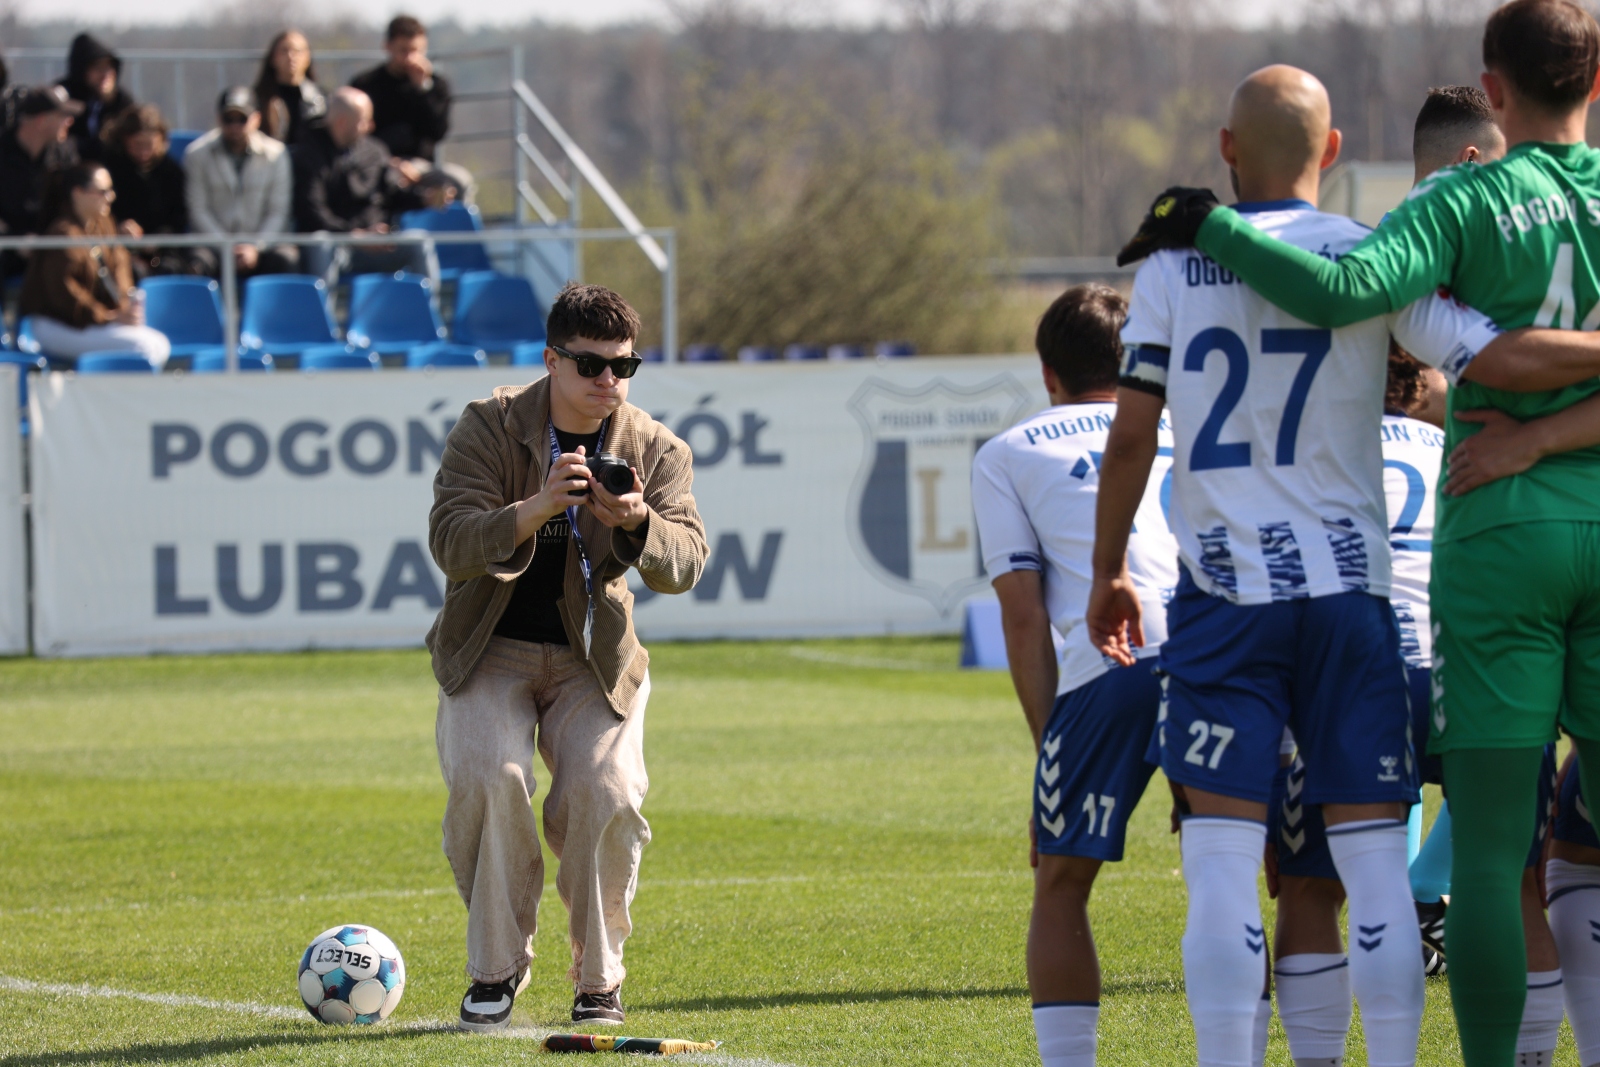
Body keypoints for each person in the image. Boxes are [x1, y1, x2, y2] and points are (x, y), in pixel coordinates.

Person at [1112, 3, 1600, 1061]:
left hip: (1255, 588)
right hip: (1355, 593)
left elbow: (1145, 427)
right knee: (1397, 860)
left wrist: (1109, 569)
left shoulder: (1174, 270)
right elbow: (1491, 355)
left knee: (1249, 858)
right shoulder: (1408, 239)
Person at [427, 283, 707, 1032]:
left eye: (623, 366)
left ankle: (597, 978)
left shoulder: (654, 445)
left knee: (607, 789)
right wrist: (538, 507)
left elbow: (685, 563)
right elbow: (449, 540)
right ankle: (496, 967)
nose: (607, 383)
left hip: (595, 658)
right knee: (493, 773)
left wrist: (639, 520)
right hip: (490, 646)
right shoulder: (489, 425)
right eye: (588, 365)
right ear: (550, 360)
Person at [970, 285, 1185, 1067]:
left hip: (1115, 659)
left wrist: (1049, 757)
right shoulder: (1190, 424)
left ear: (1045, 366)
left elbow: (1024, 618)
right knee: (1226, 864)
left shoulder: (1008, 452)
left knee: (1061, 881)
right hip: (1223, 654)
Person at [19, 161, 170, 367]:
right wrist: (108, 317)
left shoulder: (104, 224)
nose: (111, 197)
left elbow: (120, 268)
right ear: (78, 193)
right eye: (102, 191)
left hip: (94, 321)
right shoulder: (62, 234)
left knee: (160, 344)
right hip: (55, 325)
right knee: (143, 347)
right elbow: (64, 294)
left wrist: (124, 308)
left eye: (111, 190)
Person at [291, 86, 426, 280]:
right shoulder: (309, 155)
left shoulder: (375, 151)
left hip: (377, 245)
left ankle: (430, 305)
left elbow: (393, 194)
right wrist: (352, 235)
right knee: (320, 243)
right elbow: (311, 211)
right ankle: (322, 307)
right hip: (337, 244)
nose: (370, 127)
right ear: (342, 122)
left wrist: (424, 198)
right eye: (364, 121)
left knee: (418, 241)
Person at [350, 16, 469, 203]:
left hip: (423, 166)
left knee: (459, 181)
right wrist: (391, 162)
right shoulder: (366, 85)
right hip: (379, 164)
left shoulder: (436, 86)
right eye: (403, 51)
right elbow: (357, 136)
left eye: (416, 51)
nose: (410, 59)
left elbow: (438, 131)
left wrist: (423, 90)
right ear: (387, 47)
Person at [186, 87, 297, 282]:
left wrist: (255, 246)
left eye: (242, 119)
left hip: (261, 246)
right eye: (229, 119)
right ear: (219, 119)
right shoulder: (197, 154)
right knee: (196, 264)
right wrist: (226, 246)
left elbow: (278, 213)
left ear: (256, 119)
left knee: (287, 259)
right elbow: (198, 211)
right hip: (215, 246)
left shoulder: (276, 155)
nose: (235, 126)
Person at [102, 104, 204, 277]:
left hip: (165, 251)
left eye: (149, 145)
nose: (143, 152)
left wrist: (158, 240)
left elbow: (179, 218)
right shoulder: (111, 171)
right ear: (124, 141)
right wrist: (119, 226)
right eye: (137, 145)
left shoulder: (172, 173)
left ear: (161, 141)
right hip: (120, 248)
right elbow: (101, 212)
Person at [0, 86, 82, 278]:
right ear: (41, 120)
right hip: (7, 245)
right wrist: (15, 240)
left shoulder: (65, 153)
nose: (70, 121)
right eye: (63, 115)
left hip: (52, 244)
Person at [57, 34, 134, 161]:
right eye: (98, 68)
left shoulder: (122, 101)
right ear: (82, 70)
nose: (105, 75)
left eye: (109, 68)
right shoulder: (63, 96)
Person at [254, 30, 326, 147]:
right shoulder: (257, 99)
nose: (291, 56)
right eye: (284, 51)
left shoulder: (321, 99)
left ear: (308, 58)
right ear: (273, 58)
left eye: (298, 51)